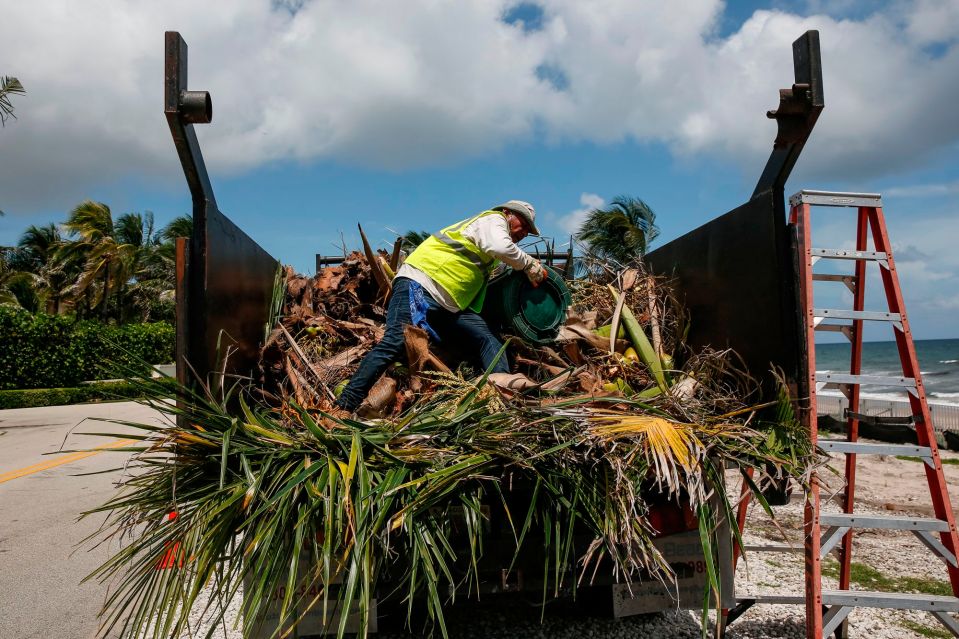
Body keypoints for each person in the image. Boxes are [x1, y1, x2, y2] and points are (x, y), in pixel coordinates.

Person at [333, 200, 547, 415]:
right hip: (420, 285)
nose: (525, 232)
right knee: (395, 342)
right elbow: (500, 247)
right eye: (524, 224)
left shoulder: (491, 234)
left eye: (529, 230)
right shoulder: (493, 220)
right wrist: (530, 265)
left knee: (489, 339)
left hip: (449, 305)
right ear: (507, 213)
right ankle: (344, 406)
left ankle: (498, 397)